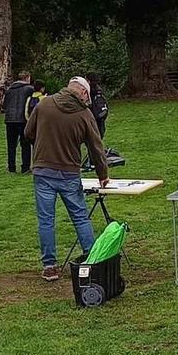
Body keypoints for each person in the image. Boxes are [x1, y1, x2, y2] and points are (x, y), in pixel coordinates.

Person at [23, 75, 109, 281]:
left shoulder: (44, 105)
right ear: (84, 92)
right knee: (80, 217)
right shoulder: (85, 114)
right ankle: (92, 258)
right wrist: (102, 175)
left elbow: (28, 133)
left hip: (43, 170)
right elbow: (96, 148)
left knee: (46, 220)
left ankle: (49, 266)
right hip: (69, 172)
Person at [0, 70, 34, 174]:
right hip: (23, 119)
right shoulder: (29, 89)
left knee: (11, 145)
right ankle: (25, 167)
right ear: (27, 78)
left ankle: (11, 167)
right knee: (25, 144)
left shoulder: (9, 90)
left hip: (10, 119)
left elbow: (4, 105)